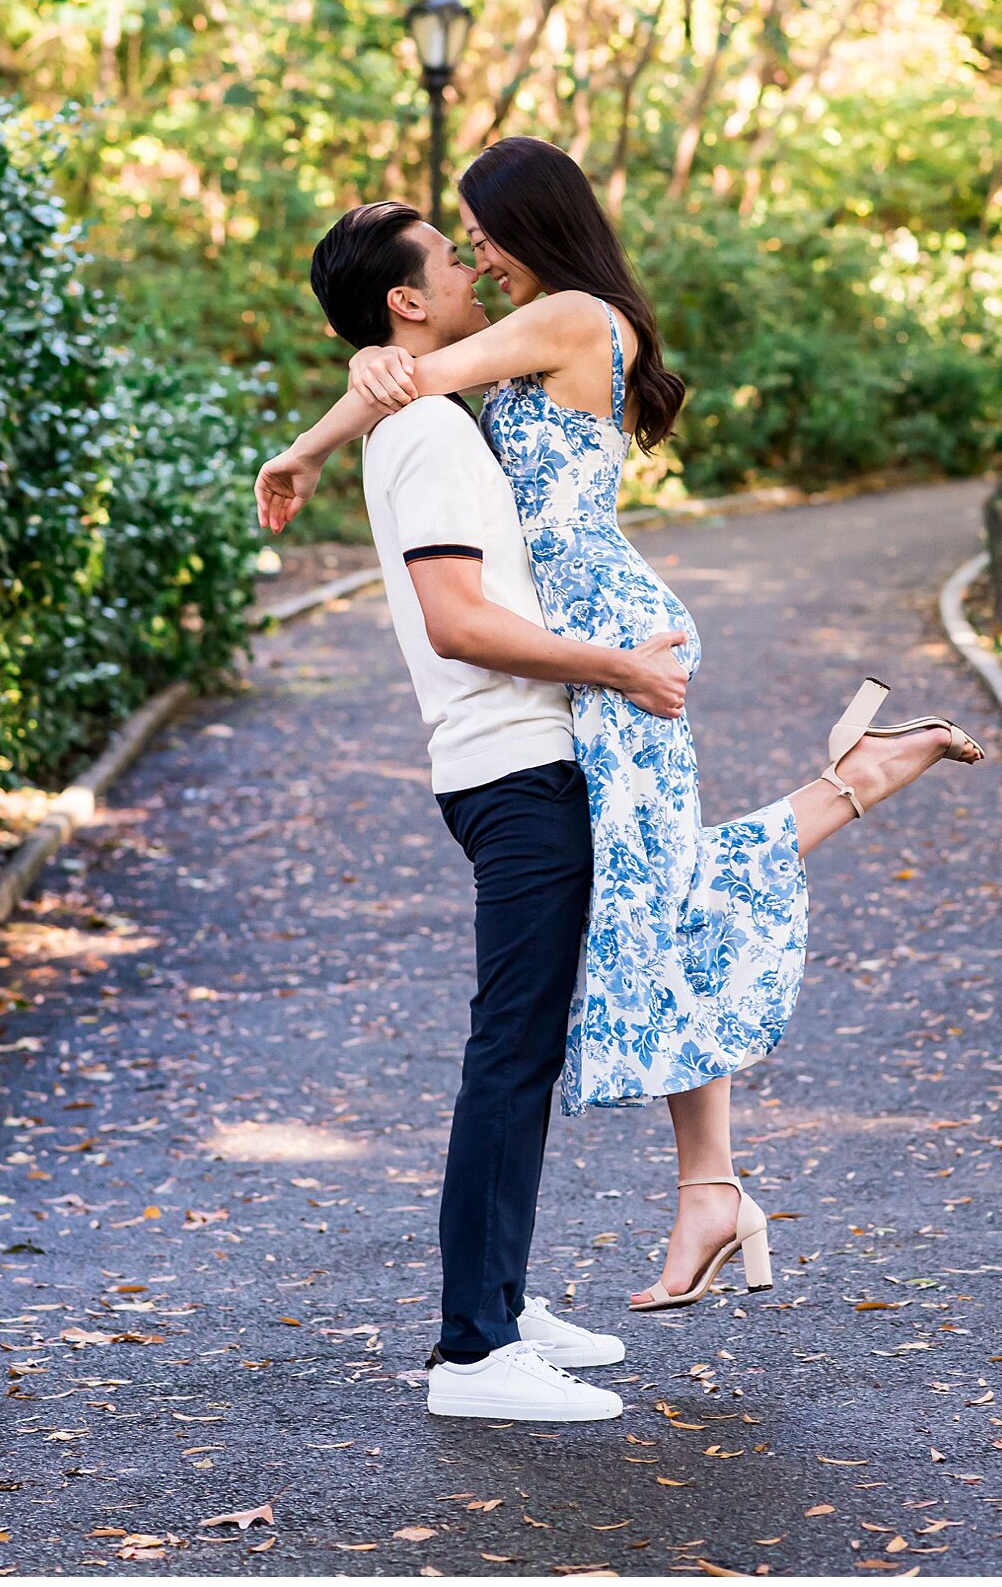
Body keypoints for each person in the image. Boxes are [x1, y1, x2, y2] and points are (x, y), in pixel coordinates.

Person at [257, 141, 983, 1317]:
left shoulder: (574, 315)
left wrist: (326, 418)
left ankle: (852, 793)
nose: (477, 257)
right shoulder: (548, 322)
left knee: (655, 891)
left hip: (615, 639)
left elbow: (411, 376)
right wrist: (317, 430)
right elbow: (405, 372)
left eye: (480, 234)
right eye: (459, 246)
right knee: (654, 889)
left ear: (528, 221)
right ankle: (713, 1175)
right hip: (591, 638)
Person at [296, 199, 692, 1420]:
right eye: (446, 256)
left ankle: (505, 1306)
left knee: (519, 1047)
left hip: (526, 756)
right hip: (516, 766)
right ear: (404, 301)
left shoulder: (433, 412)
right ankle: (474, 1352)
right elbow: (460, 620)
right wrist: (623, 666)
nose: (472, 266)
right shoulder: (431, 435)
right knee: (508, 1053)